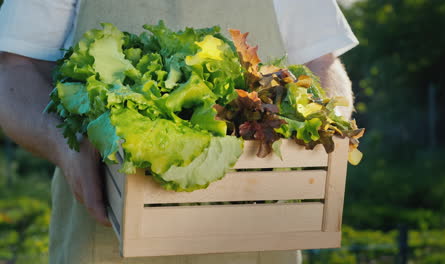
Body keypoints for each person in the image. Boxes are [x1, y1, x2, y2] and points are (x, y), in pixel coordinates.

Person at [0, 0, 358, 263]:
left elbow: (321, 62)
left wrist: (326, 123)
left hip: (260, 244)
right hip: (103, 237)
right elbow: (15, 70)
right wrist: (65, 144)